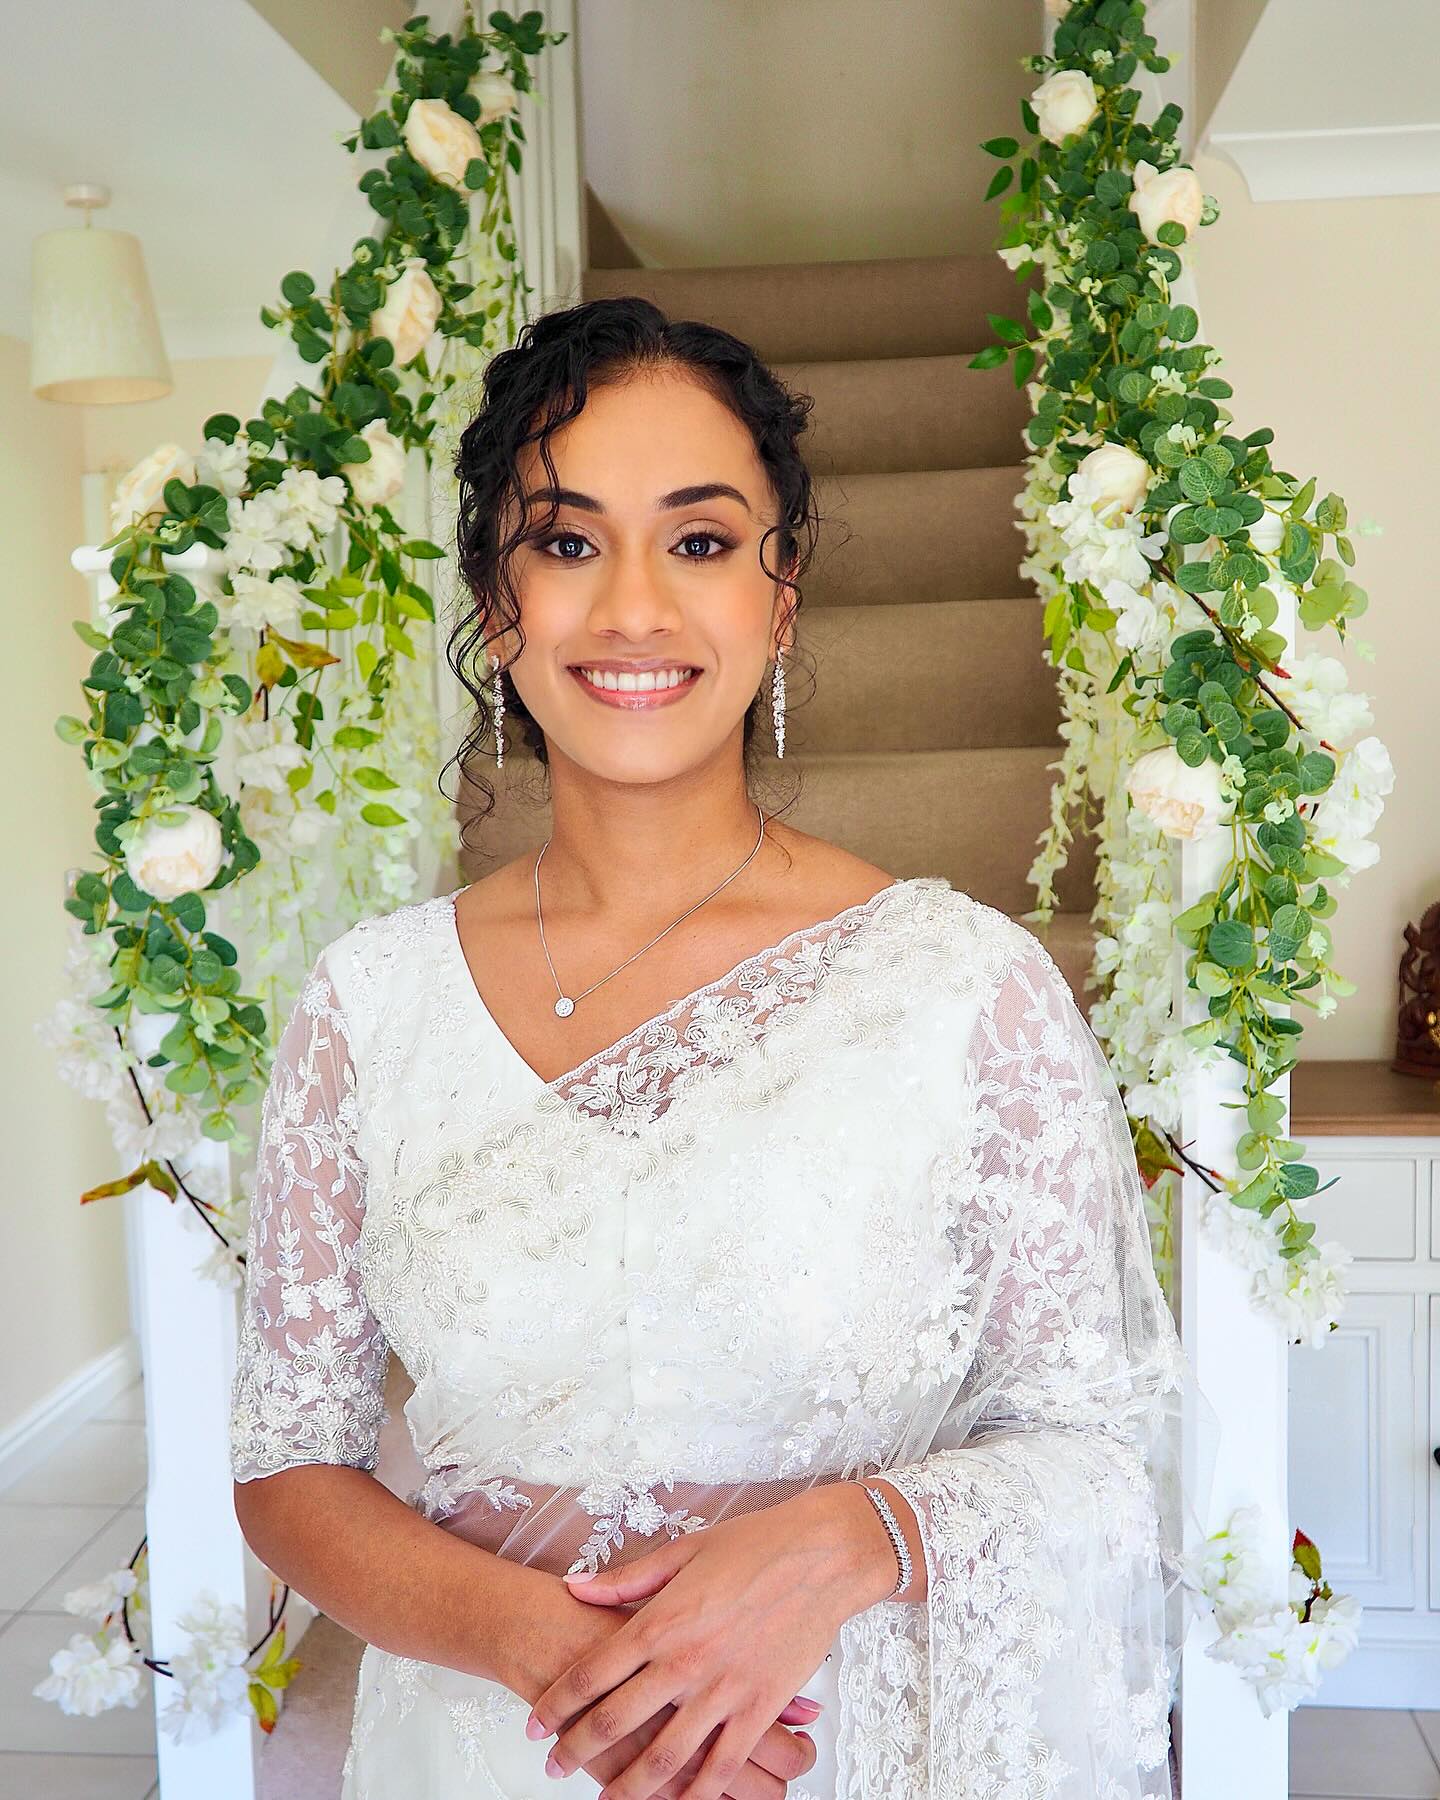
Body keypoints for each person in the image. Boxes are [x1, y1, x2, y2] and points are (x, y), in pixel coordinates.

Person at [230, 296, 1189, 1799]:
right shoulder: (369, 1008)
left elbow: (1097, 1453)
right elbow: (289, 1463)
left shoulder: (960, 990)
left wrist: (836, 1546)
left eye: (697, 540)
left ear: (778, 597)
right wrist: (566, 1663)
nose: (631, 609)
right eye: (564, 541)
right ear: (498, 603)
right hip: (496, 1745)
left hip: (840, 1741)